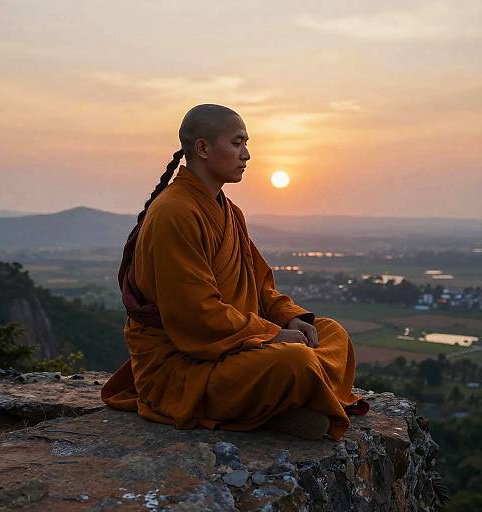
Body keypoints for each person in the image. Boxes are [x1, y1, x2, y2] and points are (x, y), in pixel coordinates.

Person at [101, 104, 368, 441]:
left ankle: (277, 405)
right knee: (294, 361)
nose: (247, 154)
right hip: (187, 365)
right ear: (202, 148)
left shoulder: (230, 212)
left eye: (246, 143)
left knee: (330, 332)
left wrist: (290, 319)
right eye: (237, 143)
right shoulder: (174, 214)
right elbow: (195, 315)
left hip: (235, 347)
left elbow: (260, 287)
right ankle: (277, 407)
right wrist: (271, 336)